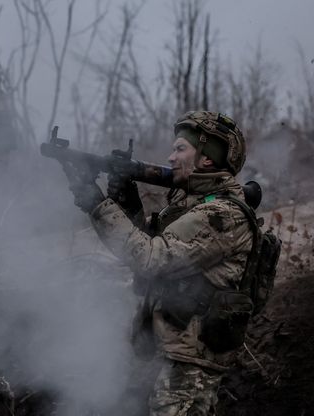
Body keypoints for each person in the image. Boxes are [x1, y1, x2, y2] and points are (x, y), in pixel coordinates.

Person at [64, 111, 255, 415]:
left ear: (206, 158)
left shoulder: (221, 216)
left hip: (191, 360)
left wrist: (97, 204)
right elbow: (140, 246)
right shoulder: (190, 208)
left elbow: (150, 258)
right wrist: (127, 202)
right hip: (172, 349)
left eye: (181, 148)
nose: (170, 156)